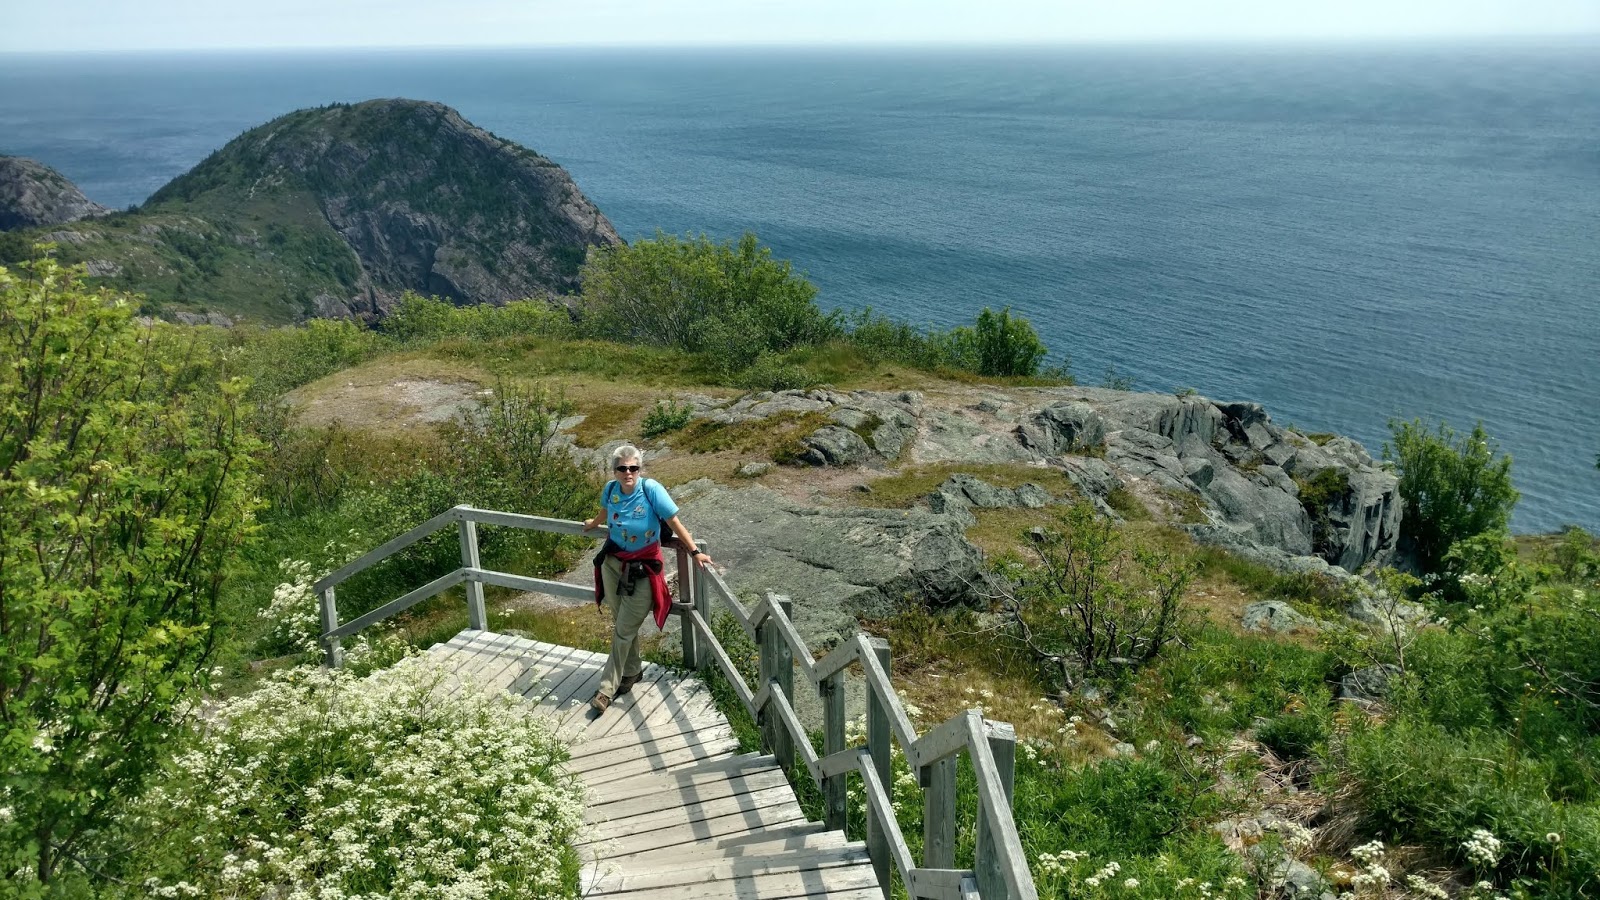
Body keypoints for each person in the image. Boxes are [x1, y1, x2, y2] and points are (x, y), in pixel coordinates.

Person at [581, 444, 713, 712]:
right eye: (622, 468)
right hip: (613, 563)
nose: (628, 472)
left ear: (639, 469)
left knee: (624, 629)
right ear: (615, 471)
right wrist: (594, 524)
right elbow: (605, 512)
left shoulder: (650, 489)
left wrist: (695, 552)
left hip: (644, 568)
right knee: (621, 622)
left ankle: (606, 689)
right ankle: (632, 671)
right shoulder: (610, 490)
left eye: (633, 468)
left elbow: (675, 522)